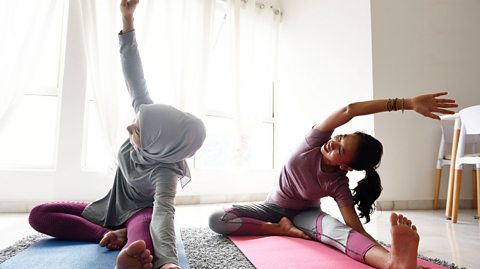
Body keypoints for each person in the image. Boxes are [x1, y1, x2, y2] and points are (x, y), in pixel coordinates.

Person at [28, 1, 206, 269]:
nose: (129, 127)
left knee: (143, 244)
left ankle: (130, 245)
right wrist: (127, 18)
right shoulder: (147, 115)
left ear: (158, 146)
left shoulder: (166, 173)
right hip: (109, 207)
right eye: (136, 121)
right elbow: (133, 72)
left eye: (137, 131)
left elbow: (164, 216)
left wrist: (169, 263)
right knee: (40, 214)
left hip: (141, 214)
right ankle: (108, 236)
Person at [209, 93, 457, 269]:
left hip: (306, 215)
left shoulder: (338, 183)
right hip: (271, 208)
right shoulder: (313, 142)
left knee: (338, 232)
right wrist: (407, 103)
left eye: (340, 150)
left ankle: (393, 264)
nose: (334, 143)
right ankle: (277, 229)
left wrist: (389, 252)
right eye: (342, 137)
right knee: (218, 219)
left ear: (345, 166)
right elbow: (349, 110)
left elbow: (355, 228)